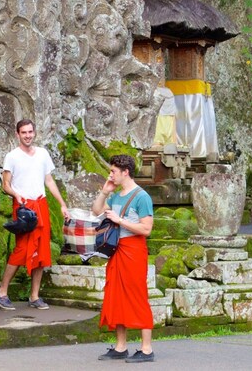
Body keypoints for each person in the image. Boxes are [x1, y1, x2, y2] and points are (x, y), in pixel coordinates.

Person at [0, 119, 70, 311]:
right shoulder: (12, 156)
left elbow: (49, 181)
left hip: (41, 204)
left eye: (30, 132)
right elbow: (5, 185)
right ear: (17, 135)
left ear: (34, 133)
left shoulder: (42, 154)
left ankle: (34, 295)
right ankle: (2, 291)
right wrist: (17, 195)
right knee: (22, 249)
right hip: (24, 207)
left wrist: (62, 204)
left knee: (42, 251)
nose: (27, 135)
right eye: (23, 132)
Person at [92, 154, 155, 363]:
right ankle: (121, 346)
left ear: (125, 172)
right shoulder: (116, 195)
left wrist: (121, 221)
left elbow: (146, 229)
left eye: (113, 172)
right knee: (116, 295)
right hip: (117, 250)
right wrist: (104, 192)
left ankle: (146, 349)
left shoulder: (142, 196)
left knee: (137, 295)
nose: (110, 175)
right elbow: (96, 211)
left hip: (134, 250)